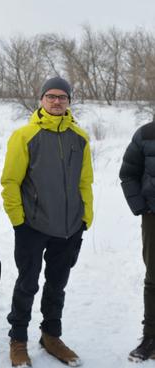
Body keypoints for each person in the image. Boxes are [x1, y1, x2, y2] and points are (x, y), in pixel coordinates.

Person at [1, 76, 93, 367]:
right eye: (51, 96)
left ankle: (51, 336)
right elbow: (10, 182)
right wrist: (19, 221)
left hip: (69, 228)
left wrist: (84, 218)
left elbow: (85, 181)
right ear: (41, 100)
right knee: (27, 284)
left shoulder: (80, 137)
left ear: (68, 102)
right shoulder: (25, 135)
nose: (56, 101)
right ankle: (18, 340)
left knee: (57, 285)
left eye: (62, 97)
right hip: (33, 227)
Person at [120, 118, 155, 361]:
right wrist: (140, 207)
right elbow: (128, 173)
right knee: (154, 278)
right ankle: (150, 338)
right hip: (154, 216)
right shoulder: (146, 134)